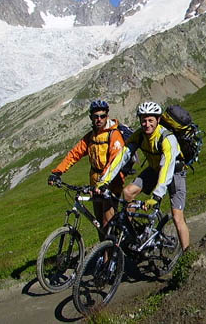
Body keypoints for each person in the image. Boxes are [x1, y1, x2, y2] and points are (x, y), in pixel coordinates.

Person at [97, 101, 190, 251]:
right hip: (154, 170)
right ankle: (132, 236)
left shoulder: (167, 139)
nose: (146, 124)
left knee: (177, 216)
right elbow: (122, 157)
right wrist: (104, 181)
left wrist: (157, 196)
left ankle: (188, 257)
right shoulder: (139, 135)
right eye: (143, 120)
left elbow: (166, 169)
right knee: (127, 193)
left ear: (158, 120)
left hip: (175, 172)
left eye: (150, 120)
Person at [48, 100, 125, 238]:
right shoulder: (91, 136)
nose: (99, 119)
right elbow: (74, 154)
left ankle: (110, 258)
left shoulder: (114, 135)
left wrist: (104, 182)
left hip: (111, 184)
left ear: (107, 116)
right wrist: (57, 172)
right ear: (91, 118)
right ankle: (104, 252)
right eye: (96, 117)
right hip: (95, 184)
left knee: (107, 225)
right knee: (99, 224)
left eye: (102, 116)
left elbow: (115, 162)